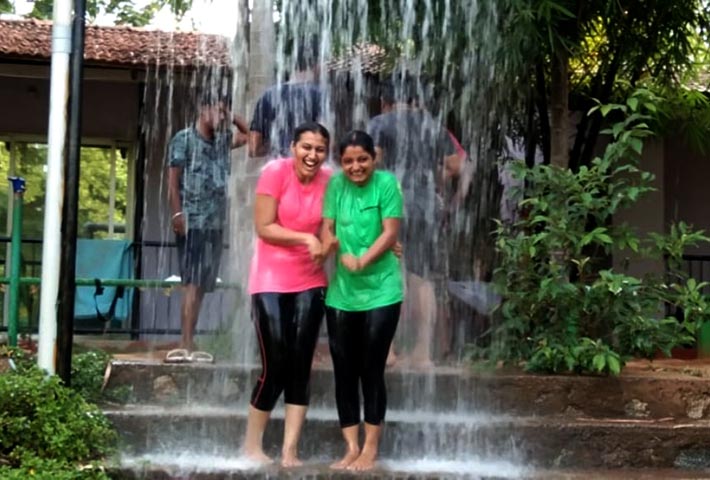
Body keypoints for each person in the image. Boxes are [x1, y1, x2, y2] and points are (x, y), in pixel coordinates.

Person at [242, 122, 334, 467]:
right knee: (275, 363)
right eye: (306, 147)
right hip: (269, 277)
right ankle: (252, 446)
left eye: (320, 149)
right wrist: (305, 239)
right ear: (294, 147)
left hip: (311, 279)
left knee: (300, 365)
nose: (312, 155)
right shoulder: (274, 172)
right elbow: (264, 226)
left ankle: (289, 450)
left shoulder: (330, 181)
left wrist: (325, 247)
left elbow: (327, 231)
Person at [321, 130, 404, 471]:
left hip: (382, 289)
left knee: (371, 369)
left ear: (375, 158)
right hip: (342, 294)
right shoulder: (336, 186)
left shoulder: (386, 184)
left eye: (362, 160)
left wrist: (362, 260)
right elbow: (326, 226)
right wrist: (330, 243)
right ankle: (351, 448)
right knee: (344, 371)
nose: (356, 167)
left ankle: (370, 449)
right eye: (348, 161)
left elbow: (390, 232)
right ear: (341, 163)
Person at [367, 79, 460, 367]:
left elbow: (372, 161)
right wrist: (433, 180)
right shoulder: (432, 124)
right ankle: (422, 353)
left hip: (391, 205)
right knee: (421, 280)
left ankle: (388, 351)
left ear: (387, 101)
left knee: (389, 274)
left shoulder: (380, 122)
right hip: (426, 206)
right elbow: (455, 166)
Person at [166, 91, 248, 363]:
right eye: (218, 110)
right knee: (191, 282)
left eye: (224, 112)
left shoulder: (222, 140)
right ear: (203, 109)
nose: (221, 116)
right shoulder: (184, 139)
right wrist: (177, 212)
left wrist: (232, 113)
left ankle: (191, 339)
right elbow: (173, 180)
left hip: (214, 223)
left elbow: (253, 138)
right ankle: (185, 341)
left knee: (202, 284)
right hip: (192, 221)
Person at [248, 41, 322, 158]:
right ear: (317, 64)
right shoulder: (320, 95)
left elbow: (253, 149)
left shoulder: (268, 95)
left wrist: (277, 148)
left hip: (277, 171)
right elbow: (328, 143)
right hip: (309, 172)